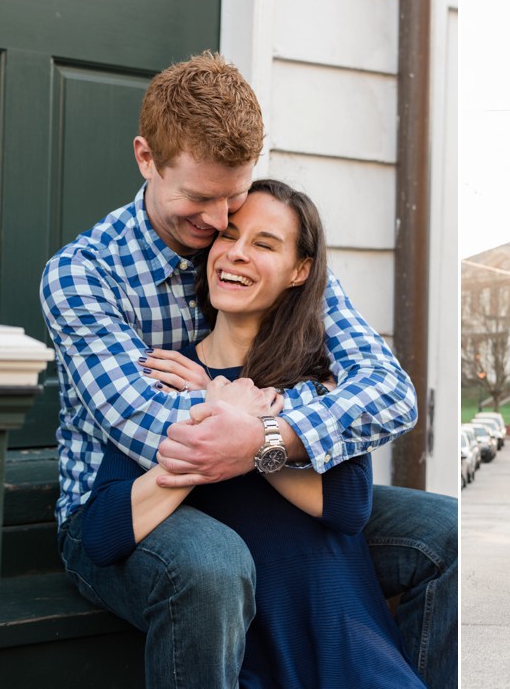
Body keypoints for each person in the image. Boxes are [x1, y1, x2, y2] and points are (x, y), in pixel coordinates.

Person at [40, 52, 457, 687]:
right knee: (212, 564)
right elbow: (146, 428)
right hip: (128, 499)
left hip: (262, 486)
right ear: (146, 158)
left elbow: (390, 394)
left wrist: (262, 424)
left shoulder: (270, 248)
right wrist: (255, 417)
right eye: (200, 200)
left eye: (233, 200)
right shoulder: (84, 274)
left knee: (447, 532)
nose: (217, 229)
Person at [82, 180, 425, 687]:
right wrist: (209, 414)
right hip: (253, 664)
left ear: (300, 271)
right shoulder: (167, 379)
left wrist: (252, 433)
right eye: (231, 237)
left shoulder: (317, 378)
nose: (236, 255)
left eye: (264, 244)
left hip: (350, 655)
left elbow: (348, 504)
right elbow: (105, 530)